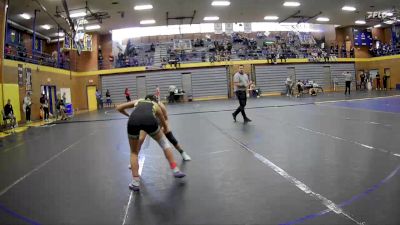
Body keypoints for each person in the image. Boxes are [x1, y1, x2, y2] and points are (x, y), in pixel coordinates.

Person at [116, 98, 186, 191]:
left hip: (133, 120)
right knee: (164, 144)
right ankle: (175, 169)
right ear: (154, 101)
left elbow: (119, 108)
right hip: (150, 120)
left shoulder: (139, 101)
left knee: (134, 152)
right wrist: (164, 130)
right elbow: (163, 120)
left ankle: (135, 182)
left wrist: (128, 115)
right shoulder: (156, 105)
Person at [138, 95, 191, 161]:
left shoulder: (161, 106)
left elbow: (166, 118)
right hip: (148, 121)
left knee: (171, 137)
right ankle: (135, 157)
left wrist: (163, 127)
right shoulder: (144, 105)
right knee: (140, 139)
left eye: (155, 103)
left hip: (160, 121)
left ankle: (182, 152)